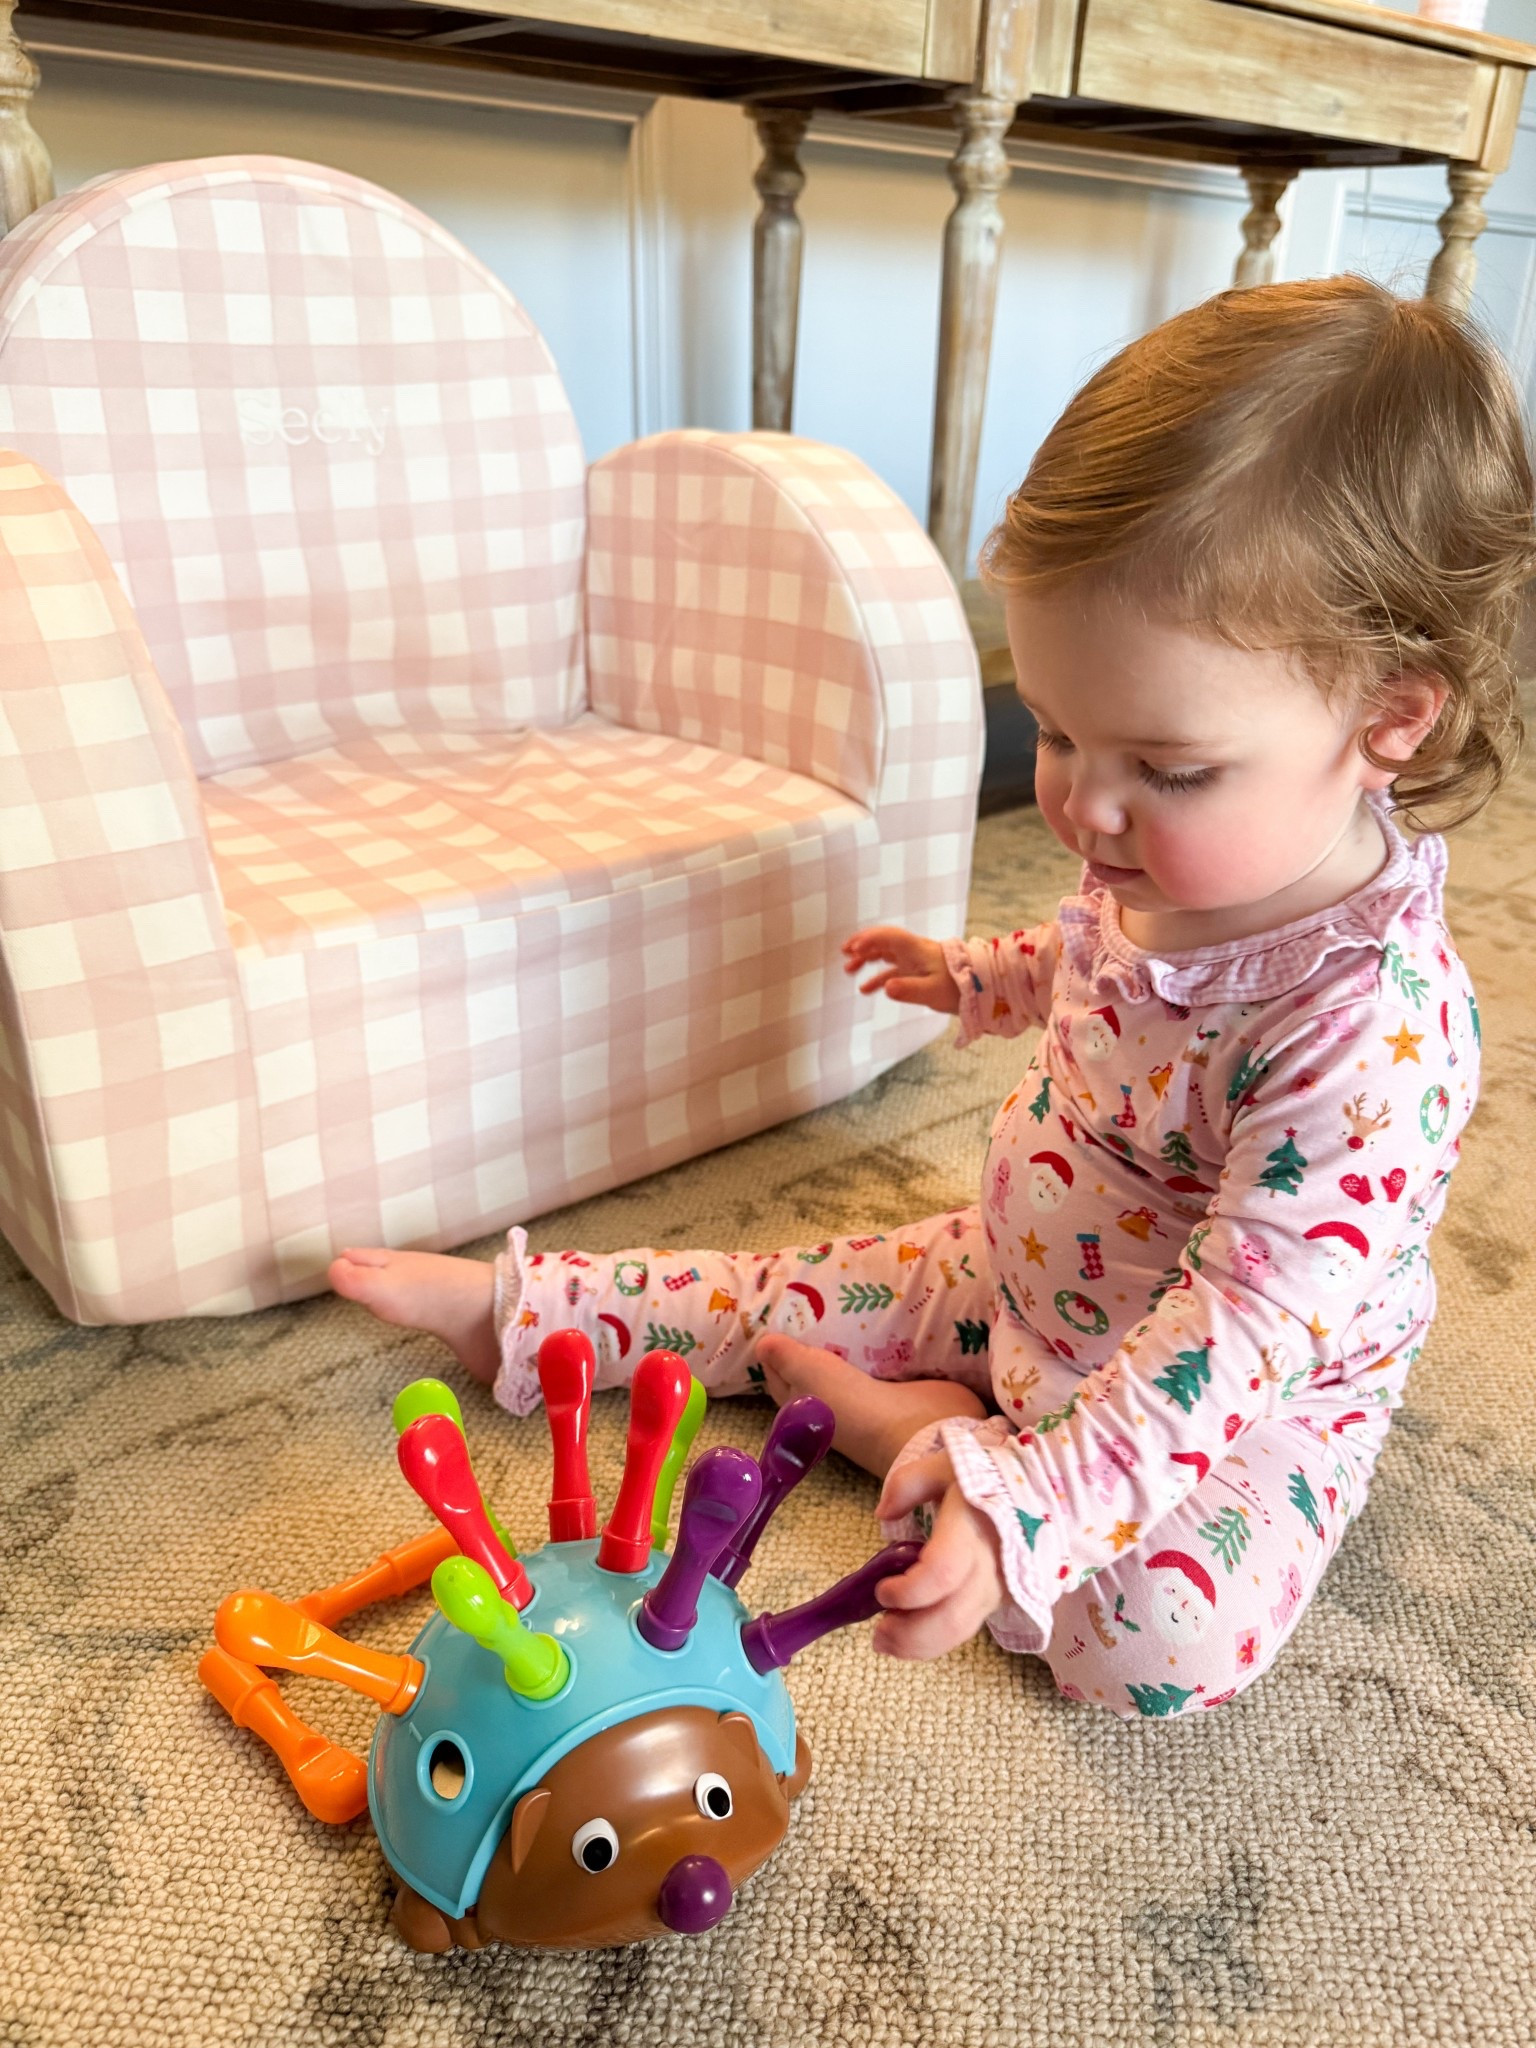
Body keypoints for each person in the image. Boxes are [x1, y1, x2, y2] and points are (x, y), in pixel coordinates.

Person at [330, 276, 1530, 1718]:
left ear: (1390, 719)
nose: (1085, 805)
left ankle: (917, 1440)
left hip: (1231, 1395)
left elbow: (1236, 1335)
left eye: (1168, 767)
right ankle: (527, 1314)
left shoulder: (1375, 1035)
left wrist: (1036, 1508)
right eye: (1060, 729)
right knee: (777, 1281)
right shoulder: (1171, 855)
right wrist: (980, 976)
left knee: (1152, 1648)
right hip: (1013, 1272)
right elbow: (1103, 954)